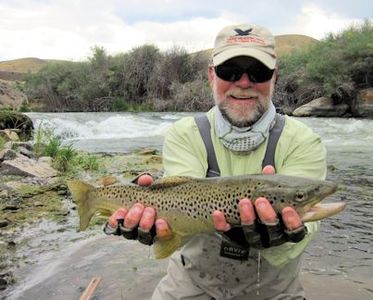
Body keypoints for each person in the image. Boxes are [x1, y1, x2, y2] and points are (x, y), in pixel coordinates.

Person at [105, 24, 327, 299]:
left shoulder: (303, 140)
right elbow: (178, 209)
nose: (244, 83)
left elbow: (307, 225)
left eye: (257, 72)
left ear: (274, 78)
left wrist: (285, 235)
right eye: (229, 71)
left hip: (273, 290)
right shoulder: (185, 133)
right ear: (211, 75)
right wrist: (153, 223)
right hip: (192, 284)